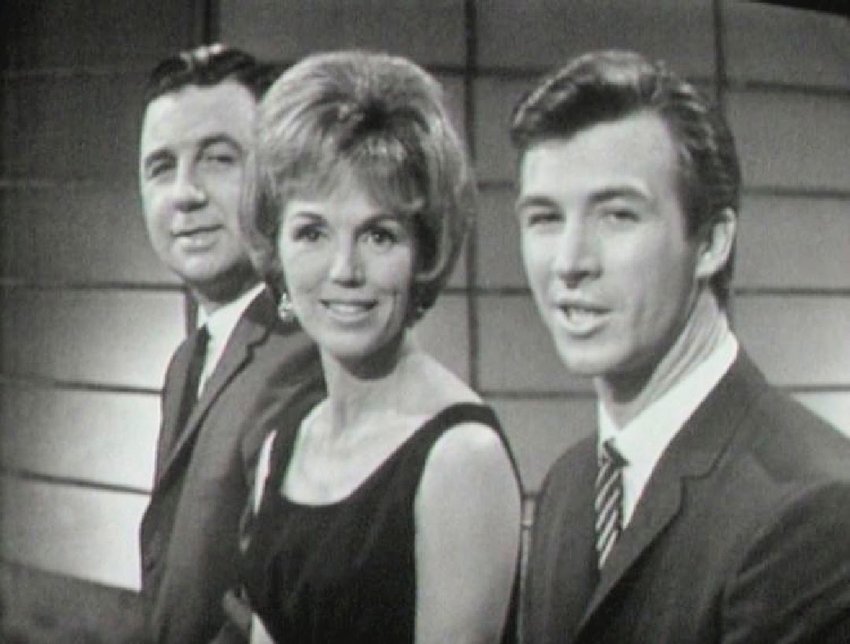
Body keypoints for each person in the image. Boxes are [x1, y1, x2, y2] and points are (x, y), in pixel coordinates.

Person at [511, 49, 850, 643]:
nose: (569, 262)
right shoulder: (571, 482)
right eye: (545, 218)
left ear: (712, 242)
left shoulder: (813, 507)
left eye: (617, 215)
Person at [236, 50, 522, 644]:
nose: (345, 269)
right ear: (276, 250)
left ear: (422, 253)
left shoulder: (461, 457)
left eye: (379, 235)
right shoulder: (284, 440)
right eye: (312, 232)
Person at [137, 44, 324, 644]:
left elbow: (274, 605)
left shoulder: (308, 352)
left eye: (218, 159)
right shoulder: (188, 359)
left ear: (276, 180)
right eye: (160, 167)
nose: (184, 193)